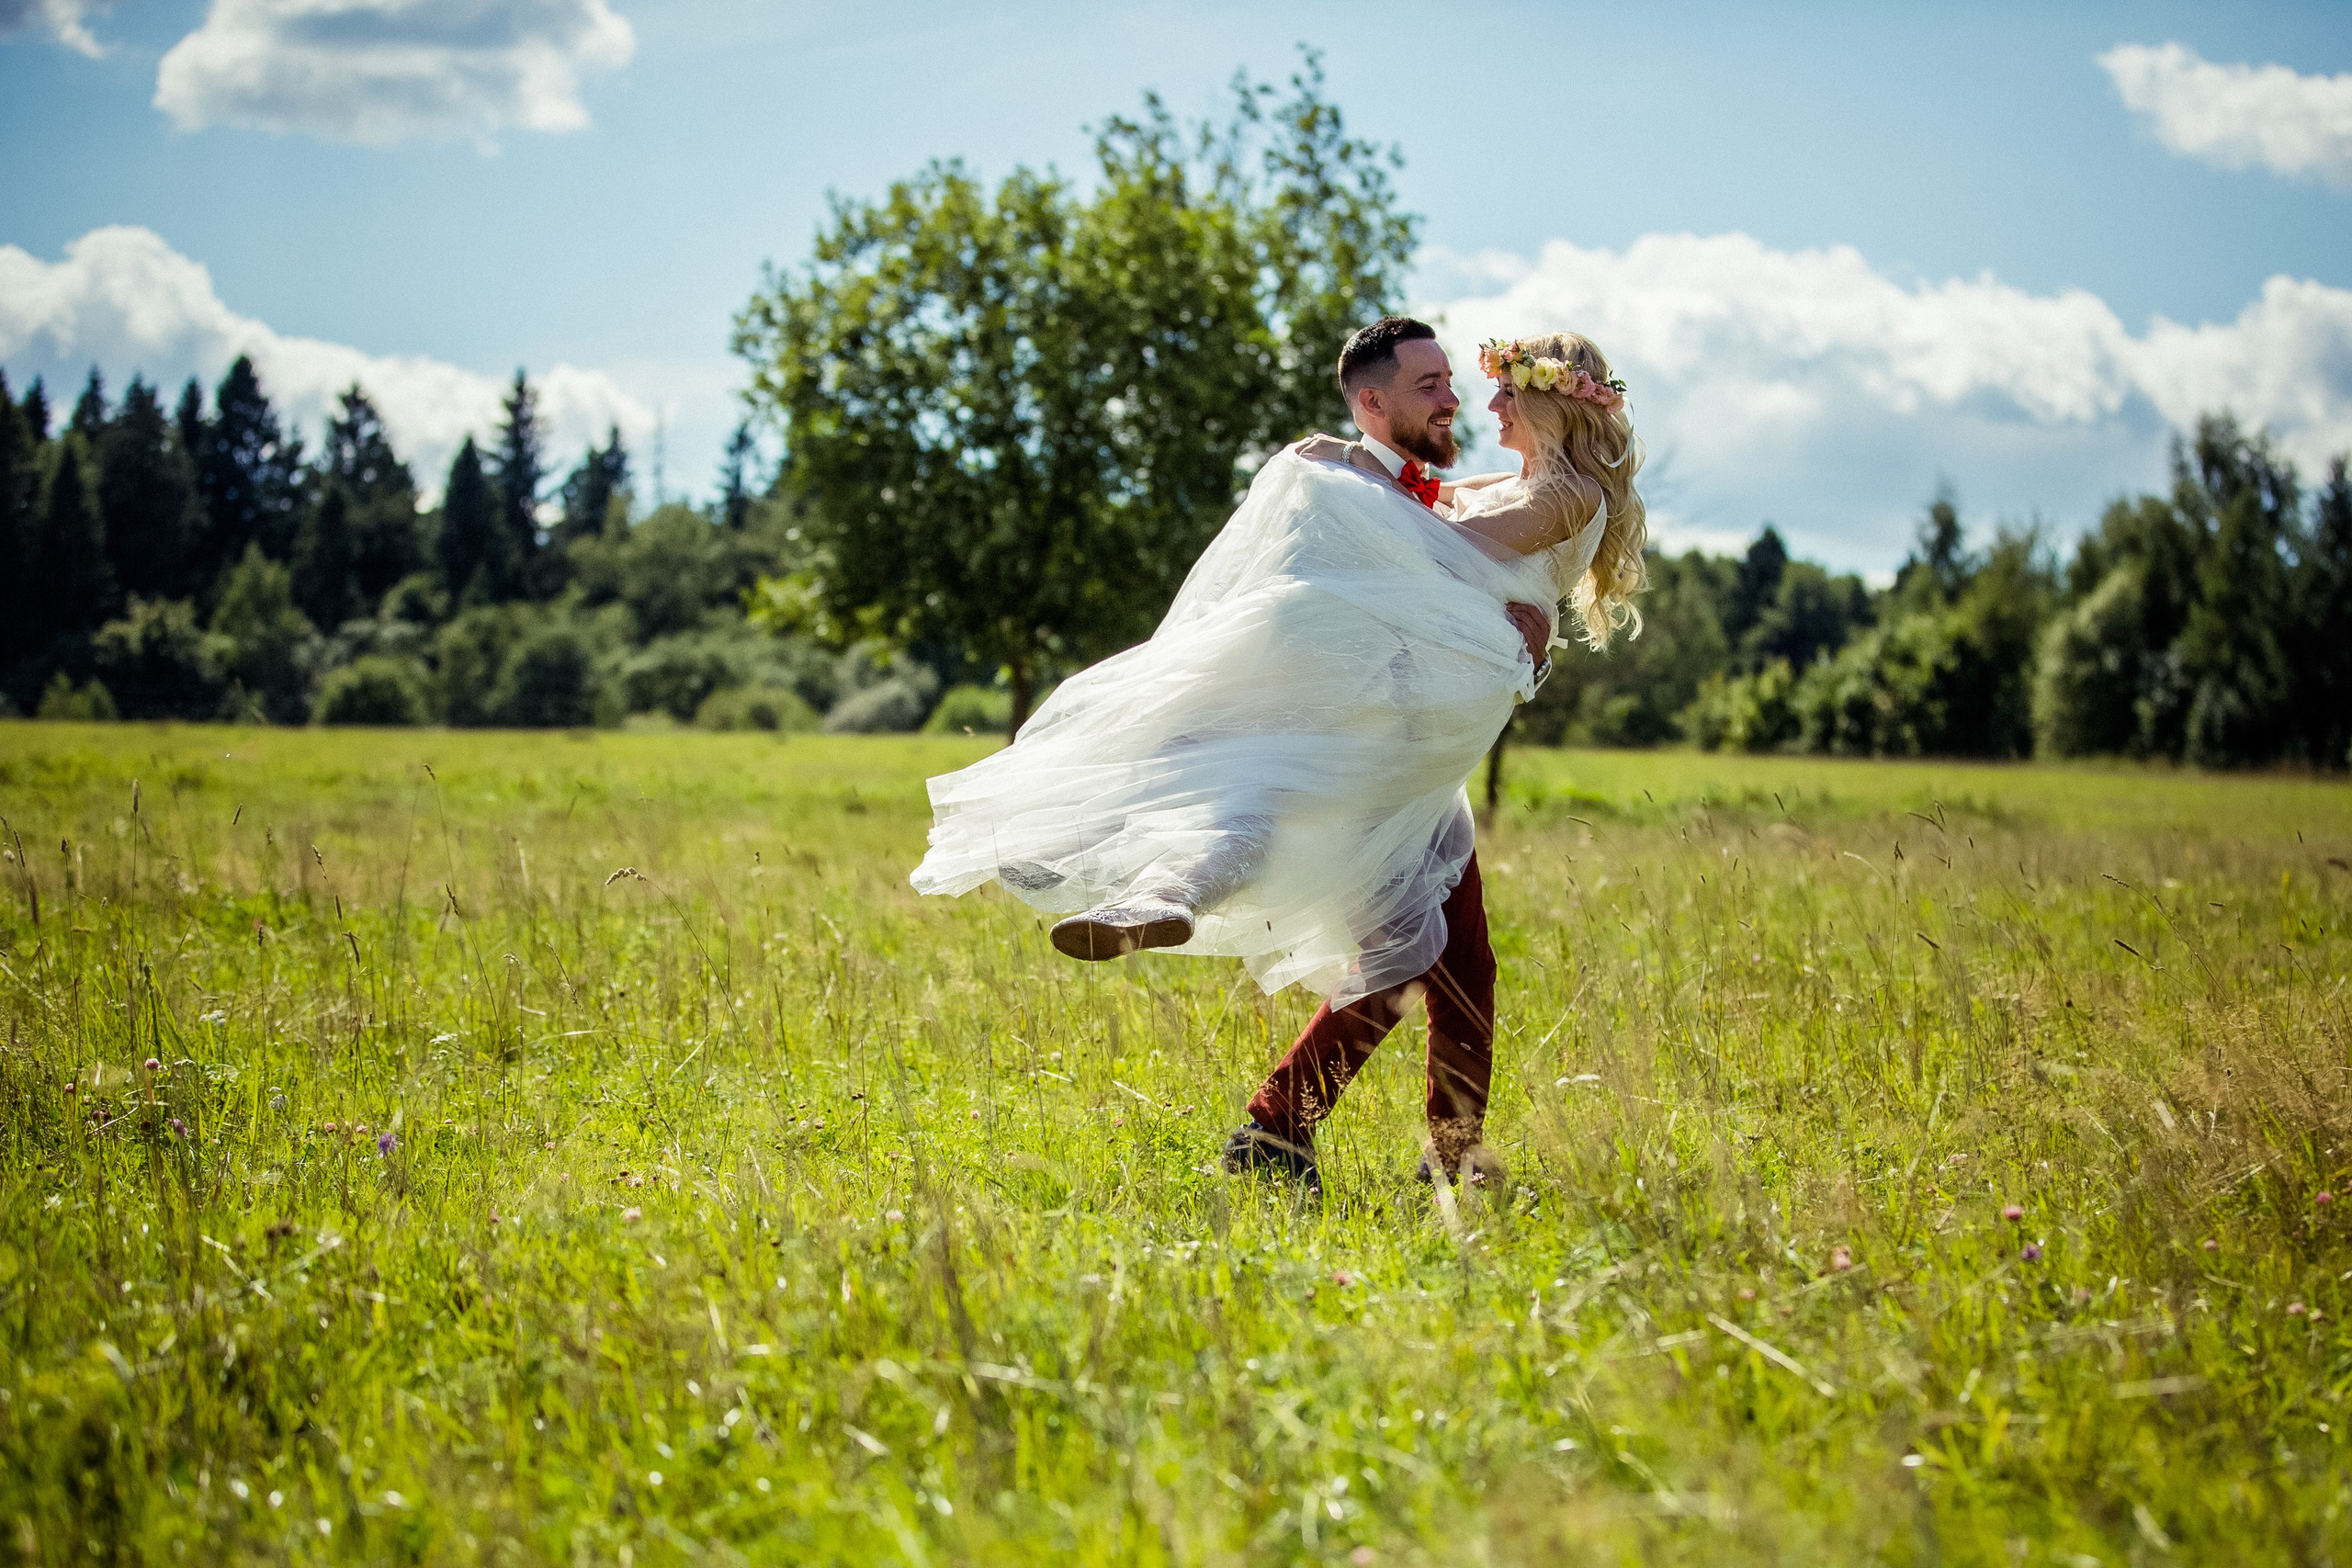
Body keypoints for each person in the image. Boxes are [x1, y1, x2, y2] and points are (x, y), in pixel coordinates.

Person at [909, 316, 1646, 1190]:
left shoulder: (1569, 497)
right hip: (1409, 716)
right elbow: (1431, 498)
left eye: (1502, 392)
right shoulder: (1528, 480)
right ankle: (1341, 1140)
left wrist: (1366, 488)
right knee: (1425, 944)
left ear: (1551, 406)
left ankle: (1313, 1130)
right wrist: (1345, 455)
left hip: (1423, 709)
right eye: (1461, 385)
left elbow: (1442, 545)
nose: (1483, 403)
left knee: (1420, 937)